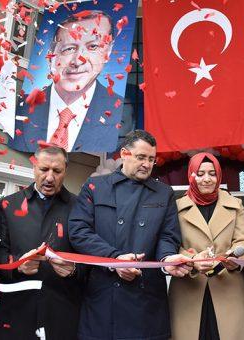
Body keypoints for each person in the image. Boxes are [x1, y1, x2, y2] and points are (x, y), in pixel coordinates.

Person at [68, 129, 192, 340]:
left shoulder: (164, 193)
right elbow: (79, 231)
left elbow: (167, 236)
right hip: (104, 298)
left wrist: (166, 258)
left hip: (146, 300)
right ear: (124, 154)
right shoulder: (95, 187)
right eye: (141, 157)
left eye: (151, 159)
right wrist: (114, 258)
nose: (147, 164)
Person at [0, 146, 82, 340]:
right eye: (44, 169)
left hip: (61, 312)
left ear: (65, 171)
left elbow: (90, 257)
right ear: (34, 168)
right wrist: (17, 265)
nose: (50, 177)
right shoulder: (9, 205)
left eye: (57, 171)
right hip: (16, 311)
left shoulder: (80, 207)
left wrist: (74, 270)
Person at [169, 152, 244, 340]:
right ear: (191, 175)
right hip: (189, 291)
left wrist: (237, 257)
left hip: (229, 288)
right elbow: (169, 245)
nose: (207, 179)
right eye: (200, 173)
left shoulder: (235, 205)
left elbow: (243, 240)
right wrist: (192, 260)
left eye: (212, 173)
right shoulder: (175, 207)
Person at [9, 10, 124, 153]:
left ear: (108, 51)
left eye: (93, 47)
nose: (77, 61)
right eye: (68, 49)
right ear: (51, 53)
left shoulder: (120, 111)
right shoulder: (21, 108)